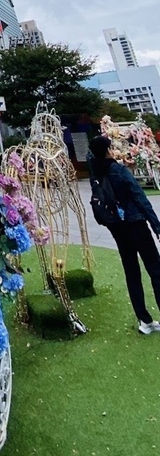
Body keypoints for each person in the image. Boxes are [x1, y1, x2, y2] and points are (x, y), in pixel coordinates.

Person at [88, 133, 160, 334]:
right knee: (155, 269)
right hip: (135, 224)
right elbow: (139, 197)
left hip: (117, 228)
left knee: (132, 272)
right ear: (108, 150)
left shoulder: (95, 173)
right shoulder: (118, 170)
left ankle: (144, 320)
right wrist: (156, 225)